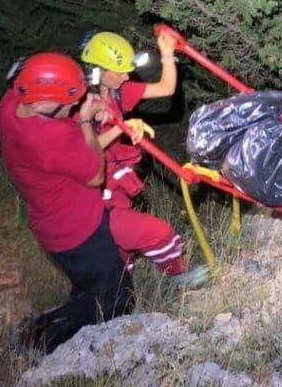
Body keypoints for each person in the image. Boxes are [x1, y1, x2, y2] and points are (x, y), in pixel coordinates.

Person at [0, 53, 134, 353]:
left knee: (90, 288)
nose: (74, 105)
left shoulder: (12, 103)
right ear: (42, 104)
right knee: (117, 297)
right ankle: (36, 338)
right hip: (78, 232)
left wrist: (85, 109)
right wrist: (85, 119)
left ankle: (66, 331)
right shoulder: (48, 139)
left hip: (51, 224)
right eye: (69, 102)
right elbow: (96, 175)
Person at [80, 28, 209, 289]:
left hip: (117, 193)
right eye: (119, 71)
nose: (126, 76)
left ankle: (119, 297)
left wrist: (167, 53)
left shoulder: (118, 92)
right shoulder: (82, 109)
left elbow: (166, 88)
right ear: (98, 72)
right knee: (157, 233)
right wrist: (122, 128)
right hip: (95, 203)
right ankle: (178, 277)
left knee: (121, 258)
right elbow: (84, 152)